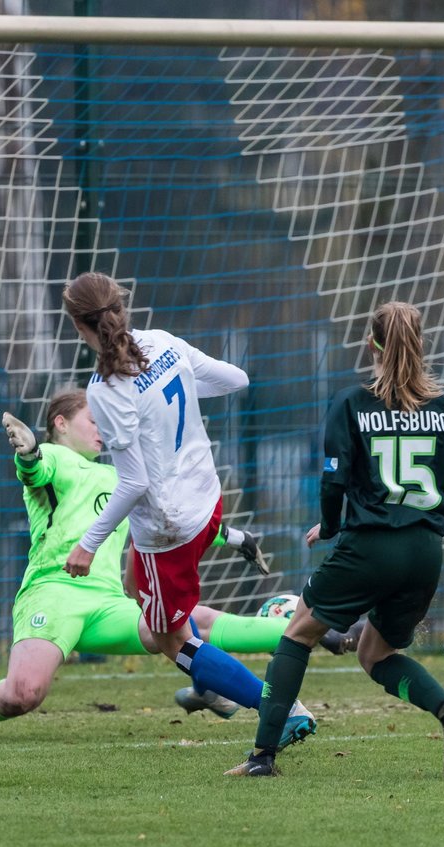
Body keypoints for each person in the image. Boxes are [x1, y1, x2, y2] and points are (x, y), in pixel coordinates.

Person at [0, 389, 346, 738]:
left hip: (108, 604)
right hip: (53, 596)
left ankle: (314, 635)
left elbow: (173, 521)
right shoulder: (57, 457)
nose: (102, 430)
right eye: (93, 420)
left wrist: (238, 538)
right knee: (23, 694)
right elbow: (34, 470)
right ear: (60, 423)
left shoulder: (118, 479)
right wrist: (29, 455)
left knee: (184, 621)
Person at [57, 271, 316, 741]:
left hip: (168, 527)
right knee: (137, 585)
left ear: (79, 325)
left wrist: (88, 544)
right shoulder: (161, 342)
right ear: (121, 308)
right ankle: (209, 679)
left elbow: (133, 482)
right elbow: (236, 379)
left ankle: (277, 707)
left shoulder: (105, 388)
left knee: (167, 639)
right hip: (207, 503)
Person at [226, 300, 444, 778]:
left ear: (372, 345)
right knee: (376, 653)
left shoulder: (352, 402)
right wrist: (415, 511)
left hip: (370, 547)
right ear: (421, 345)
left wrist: (335, 525)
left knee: (298, 633)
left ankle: (262, 757)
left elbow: (333, 482)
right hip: (424, 552)